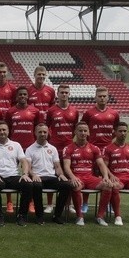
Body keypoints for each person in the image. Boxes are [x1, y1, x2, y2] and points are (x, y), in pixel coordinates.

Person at [62, 122, 114, 227]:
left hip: (90, 178)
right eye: (80, 130)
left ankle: (100, 216)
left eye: (85, 130)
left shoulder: (94, 148)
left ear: (88, 132)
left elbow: (101, 164)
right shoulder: (68, 148)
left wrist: (105, 177)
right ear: (75, 132)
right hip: (77, 176)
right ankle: (79, 216)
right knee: (76, 186)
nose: (83, 133)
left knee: (108, 185)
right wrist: (72, 177)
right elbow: (66, 166)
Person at [81, 86, 120, 214]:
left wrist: (108, 140)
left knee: (108, 177)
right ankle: (85, 203)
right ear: (95, 98)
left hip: (108, 150)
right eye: (100, 96)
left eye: (104, 96)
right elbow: (83, 127)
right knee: (89, 175)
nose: (102, 98)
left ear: (108, 97)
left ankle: (108, 204)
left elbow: (116, 130)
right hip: (91, 149)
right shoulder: (89, 113)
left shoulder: (114, 113)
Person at [24, 123, 72, 225]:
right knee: (36, 186)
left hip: (51, 177)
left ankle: (57, 215)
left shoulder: (53, 149)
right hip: (38, 177)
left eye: (45, 132)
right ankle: (39, 216)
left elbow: (57, 166)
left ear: (48, 133)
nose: (42, 134)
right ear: (35, 133)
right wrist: (33, 175)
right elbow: (27, 167)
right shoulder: (29, 149)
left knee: (66, 185)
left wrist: (61, 175)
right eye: (40, 132)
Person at [5, 86, 42, 213]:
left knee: (29, 174)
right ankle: (9, 202)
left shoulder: (35, 111)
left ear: (28, 96)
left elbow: (37, 128)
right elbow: (8, 129)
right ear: (16, 97)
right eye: (20, 94)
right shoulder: (10, 112)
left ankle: (30, 202)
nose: (22, 96)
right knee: (10, 173)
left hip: (30, 147)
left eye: (24, 94)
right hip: (13, 147)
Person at [44, 83, 79, 215]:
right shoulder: (51, 110)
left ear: (69, 94)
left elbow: (75, 129)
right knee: (52, 175)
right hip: (54, 148)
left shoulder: (74, 111)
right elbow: (47, 128)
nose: (64, 94)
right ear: (57, 94)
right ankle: (49, 204)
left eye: (66, 92)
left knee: (68, 175)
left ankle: (68, 204)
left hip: (69, 148)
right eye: (62, 92)